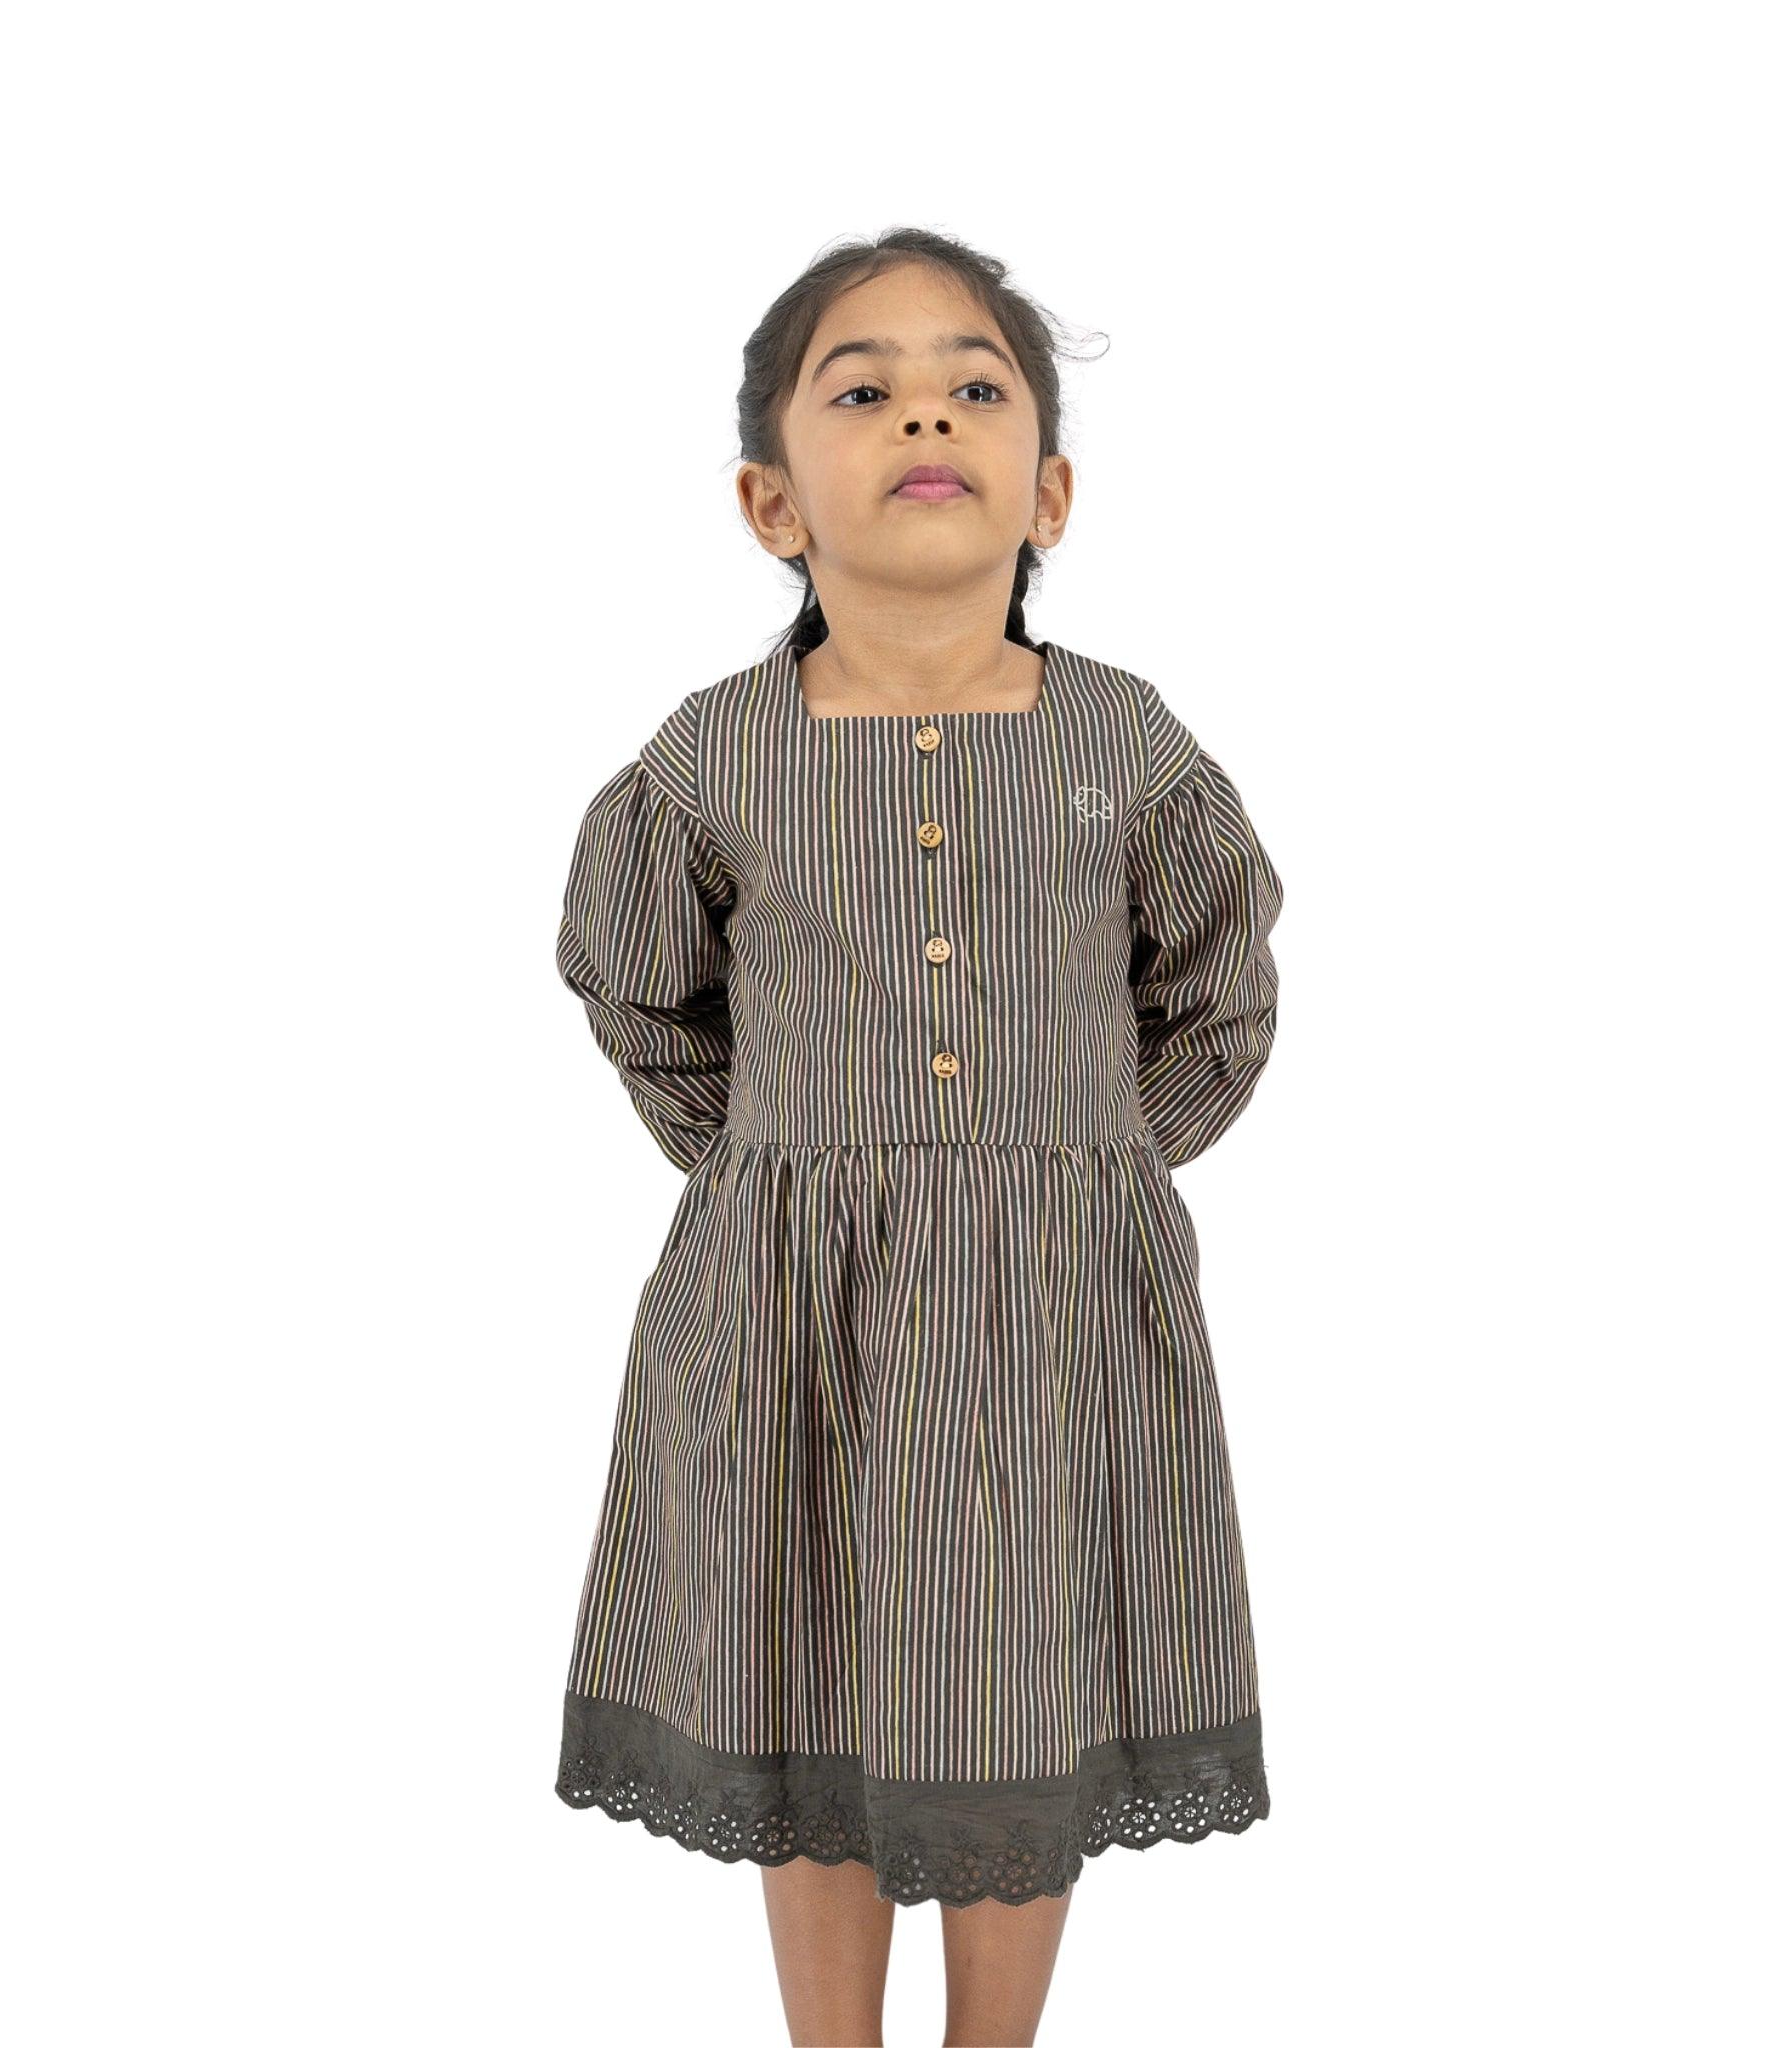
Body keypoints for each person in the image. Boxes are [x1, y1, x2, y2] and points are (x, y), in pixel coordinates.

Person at [549, 228, 1284, 2047]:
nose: (920, 414)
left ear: (1048, 488)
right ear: (770, 498)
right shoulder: (711, 761)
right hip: (790, 1305)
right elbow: (639, 987)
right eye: (860, 390)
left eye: (972, 383)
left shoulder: (1129, 745)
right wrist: (773, 1171)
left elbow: (1220, 988)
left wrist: (1088, 1168)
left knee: (1015, 1678)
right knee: (809, 1666)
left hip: (1056, 1314)